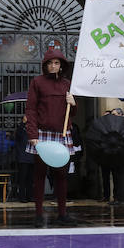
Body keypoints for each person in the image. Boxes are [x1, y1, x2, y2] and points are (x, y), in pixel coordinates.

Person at [25, 49, 77, 227]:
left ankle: (62, 214)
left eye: (56, 63)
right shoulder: (37, 82)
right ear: (45, 65)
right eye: (50, 63)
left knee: (61, 176)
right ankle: (38, 214)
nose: (53, 66)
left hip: (62, 134)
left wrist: (73, 103)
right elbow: (30, 109)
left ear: (61, 65)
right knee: (39, 174)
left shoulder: (67, 84)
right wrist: (32, 134)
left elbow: (72, 114)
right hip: (41, 134)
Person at [85, 107, 124, 206]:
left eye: (114, 114)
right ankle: (117, 197)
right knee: (117, 177)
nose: (112, 117)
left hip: (121, 154)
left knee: (120, 176)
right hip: (113, 154)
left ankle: (121, 198)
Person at [14, 116, 34, 202]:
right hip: (23, 158)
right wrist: (23, 122)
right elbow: (18, 133)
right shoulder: (21, 130)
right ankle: (22, 197)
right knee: (22, 179)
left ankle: (30, 196)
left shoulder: (32, 131)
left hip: (32, 157)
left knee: (30, 179)